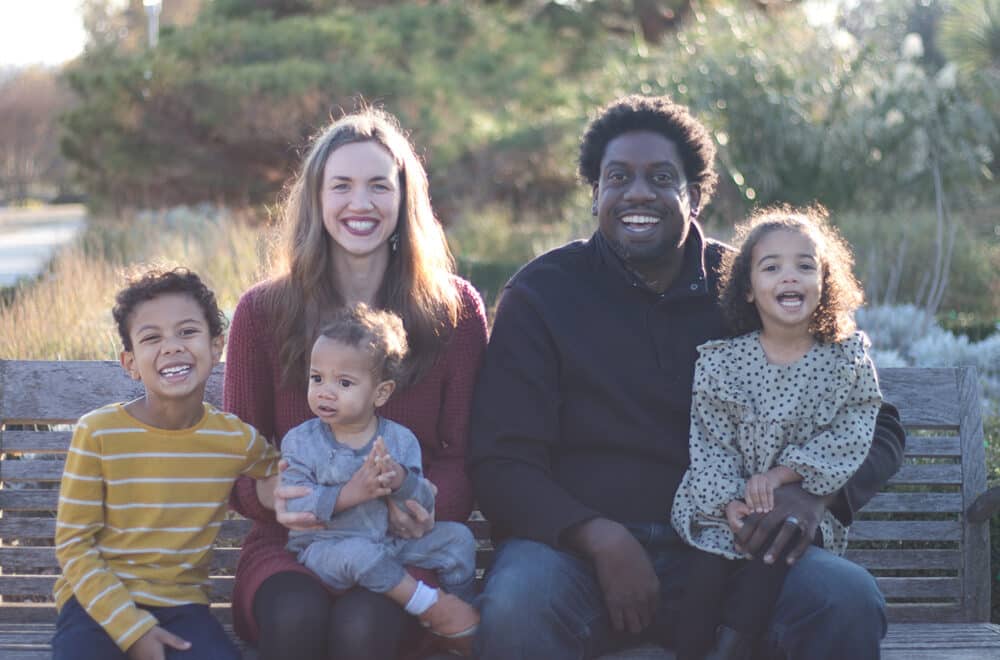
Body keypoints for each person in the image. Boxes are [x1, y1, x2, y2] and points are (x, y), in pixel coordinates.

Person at [468, 94, 906, 660]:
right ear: (595, 193)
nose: (638, 193)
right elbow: (501, 461)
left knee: (844, 597)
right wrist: (599, 538)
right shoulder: (543, 293)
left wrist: (813, 496)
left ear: (694, 195)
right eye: (618, 177)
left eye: (661, 177)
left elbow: (877, 422)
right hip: (573, 558)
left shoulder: (749, 285)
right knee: (515, 603)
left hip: (735, 552)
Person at [223, 106, 488, 660]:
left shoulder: (453, 309)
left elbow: (462, 453)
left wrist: (424, 506)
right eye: (341, 185)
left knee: (363, 626)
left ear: (403, 199)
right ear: (317, 200)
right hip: (295, 544)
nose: (360, 203)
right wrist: (268, 494)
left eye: (378, 186)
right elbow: (240, 462)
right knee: (297, 615)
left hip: (401, 544)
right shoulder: (264, 312)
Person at [670, 206, 884, 660]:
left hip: (798, 513)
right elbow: (710, 440)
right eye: (772, 267)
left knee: (772, 555)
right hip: (725, 509)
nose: (790, 276)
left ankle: (734, 646)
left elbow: (856, 427)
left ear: (825, 281)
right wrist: (729, 501)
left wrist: (784, 477)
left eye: (805, 266)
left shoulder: (844, 361)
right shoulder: (723, 363)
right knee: (704, 582)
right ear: (748, 289)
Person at [52, 268, 281, 660]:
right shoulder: (99, 434)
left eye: (187, 332)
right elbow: (74, 545)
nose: (172, 346)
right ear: (130, 363)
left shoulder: (233, 439)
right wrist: (134, 631)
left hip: (183, 608)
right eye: (152, 338)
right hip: (96, 604)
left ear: (217, 347)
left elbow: (282, 476)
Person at [281, 304, 479, 655]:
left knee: (459, 540)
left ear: (381, 393)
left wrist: (401, 480)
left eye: (344, 382)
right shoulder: (301, 441)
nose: (326, 391)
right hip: (327, 549)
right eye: (317, 378)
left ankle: (461, 621)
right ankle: (427, 605)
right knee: (359, 553)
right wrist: (351, 493)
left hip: (390, 545)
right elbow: (297, 504)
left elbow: (422, 502)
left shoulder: (400, 441)